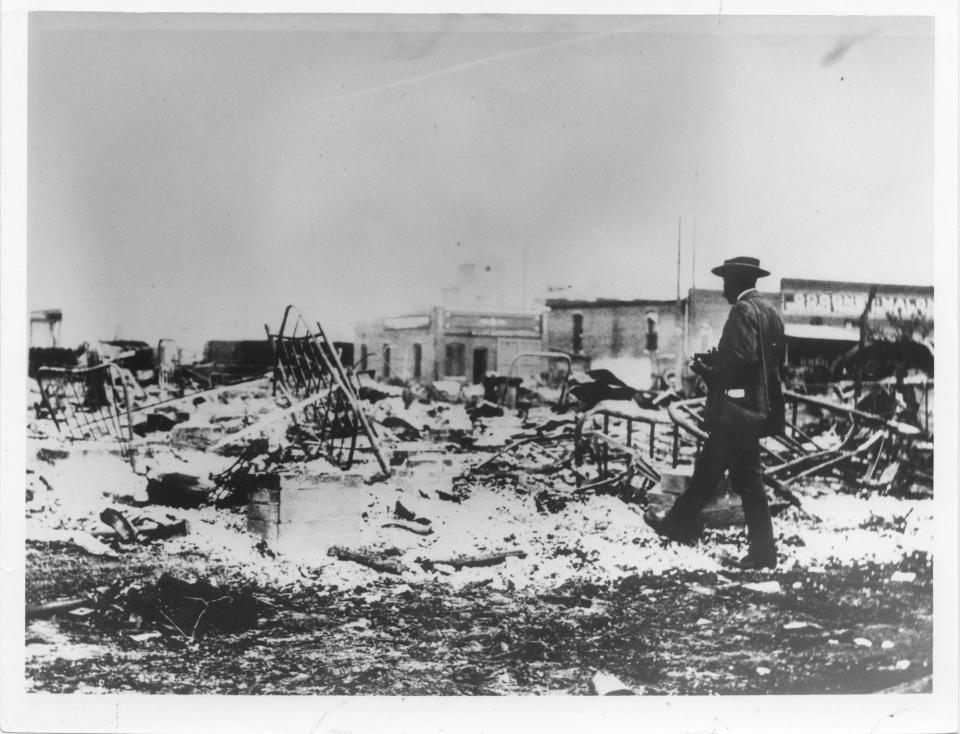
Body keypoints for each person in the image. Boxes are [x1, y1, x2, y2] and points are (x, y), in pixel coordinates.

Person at [644, 256, 786, 569]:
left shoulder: (742, 310)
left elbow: (741, 360)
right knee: (716, 472)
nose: (722, 289)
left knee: (732, 477)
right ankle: (682, 524)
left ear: (735, 281)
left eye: (725, 281)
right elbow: (771, 364)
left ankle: (758, 550)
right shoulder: (771, 313)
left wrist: (710, 371)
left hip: (736, 411)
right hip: (755, 410)